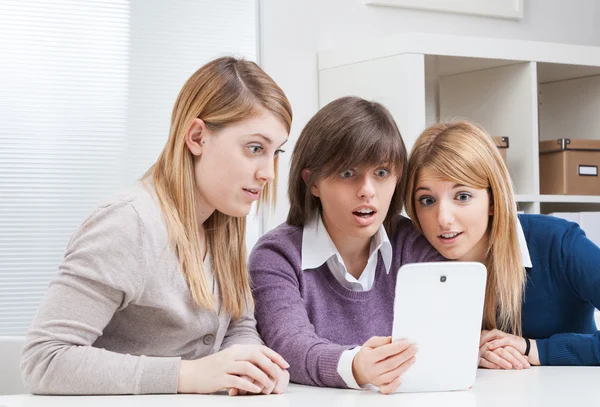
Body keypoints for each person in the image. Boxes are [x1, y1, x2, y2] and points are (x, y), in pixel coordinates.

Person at [20, 57, 293, 395]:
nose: (268, 172)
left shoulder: (225, 224)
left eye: (275, 153)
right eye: (255, 148)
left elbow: (239, 327)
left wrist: (256, 365)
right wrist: (188, 375)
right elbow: (45, 361)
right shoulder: (127, 224)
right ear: (197, 137)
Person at [248, 96, 443, 394]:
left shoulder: (413, 242)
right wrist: (355, 365)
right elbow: (289, 345)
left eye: (381, 173)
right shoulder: (276, 255)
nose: (367, 191)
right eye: (348, 173)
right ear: (312, 182)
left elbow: (444, 336)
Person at [404, 120, 600, 369]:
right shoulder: (412, 255)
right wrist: (473, 353)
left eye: (462, 196)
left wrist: (536, 349)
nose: (443, 218)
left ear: (493, 200)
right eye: (427, 200)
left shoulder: (557, 242)